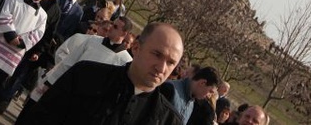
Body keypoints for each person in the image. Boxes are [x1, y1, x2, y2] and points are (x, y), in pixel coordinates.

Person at [15, 22, 184, 125]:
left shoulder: (168, 120)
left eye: (170, 63)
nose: (161, 68)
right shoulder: (85, 75)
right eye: (157, 55)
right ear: (136, 48)